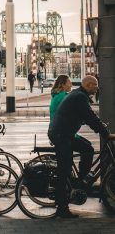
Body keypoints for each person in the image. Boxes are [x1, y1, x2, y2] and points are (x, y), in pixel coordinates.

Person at [48, 75, 115, 218]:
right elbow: (89, 116)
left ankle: (81, 180)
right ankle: (62, 208)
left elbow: (86, 117)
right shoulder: (80, 97)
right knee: (64, 170)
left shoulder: (78, 95)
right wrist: (104, 132)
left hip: (65, 133)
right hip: (61, 135)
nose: (97, 88)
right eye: (95, 85)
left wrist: (100, 127)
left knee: (88, 149)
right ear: (89, 85)